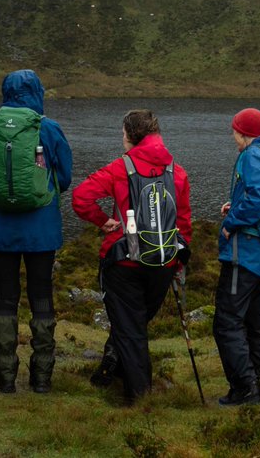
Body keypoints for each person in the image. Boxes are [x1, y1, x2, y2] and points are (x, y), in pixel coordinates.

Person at [0, 70, 72, 394]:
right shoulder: (48, 128)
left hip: (1, 229)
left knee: (6, 295)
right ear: (37, 93)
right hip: (42, 231)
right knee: (41, 295)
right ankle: (42, 377)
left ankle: (5, 375)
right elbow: (64, 178)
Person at [72, 109, 191, 405]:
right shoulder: (177, 171)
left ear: (130, 135)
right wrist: (178, 260)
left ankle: (139, 398)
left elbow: (80, 197)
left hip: (124, 261)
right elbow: (184, 223)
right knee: (135, 323)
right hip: (163, 261)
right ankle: (115, 371)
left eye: (123, 132)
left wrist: (102, 221)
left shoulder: (119, 168)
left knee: (130, 328)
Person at [213, 107, 260, 406]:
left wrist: (231, 223)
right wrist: (237, 205)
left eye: (234, 131)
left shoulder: (253, 155)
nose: (233, 137)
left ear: (244, 133)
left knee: (227, 322)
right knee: (259, 322)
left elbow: (258, 198)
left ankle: (245, 389)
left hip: (245, 256)